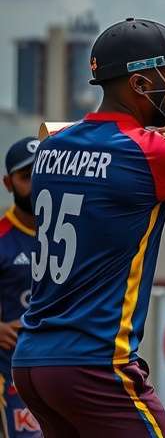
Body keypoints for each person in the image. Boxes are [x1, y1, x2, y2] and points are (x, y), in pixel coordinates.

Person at [12, 18, 165, 437]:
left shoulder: (50, 149)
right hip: (95, 362)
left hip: (33, 361)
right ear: (140, 85)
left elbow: (104, 165)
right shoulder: (153, 153)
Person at [0, 138, 43, 437]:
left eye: (41, 173)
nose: (37, 184)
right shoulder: (2, 236)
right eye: (26, 177)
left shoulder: (73, 234)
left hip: (63, 365)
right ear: (8, 183)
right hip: (10, 371)